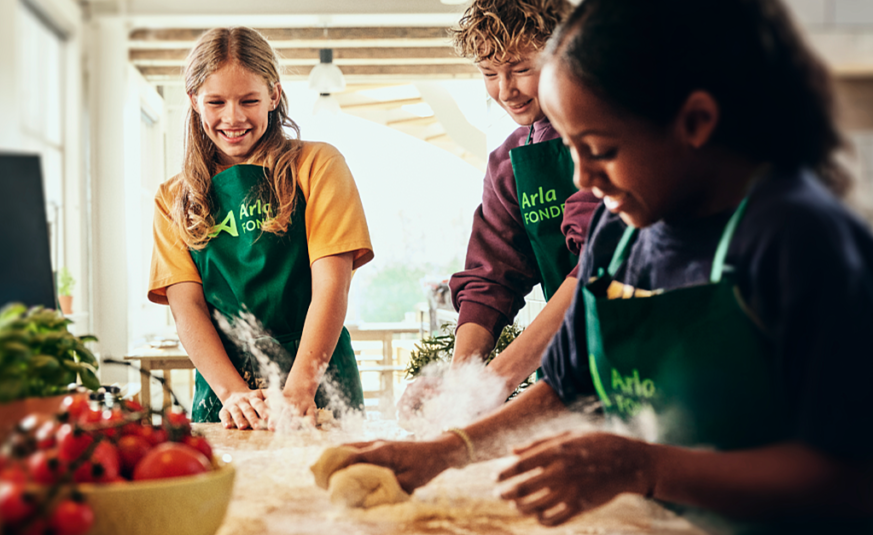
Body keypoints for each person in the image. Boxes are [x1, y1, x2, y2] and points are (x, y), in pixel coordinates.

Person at [341, 0, 873, 532]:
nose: (583, 179)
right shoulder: (616, 235)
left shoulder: (801, 241)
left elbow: (850, 480)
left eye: (599, 147)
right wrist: (441, 453)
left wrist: (646, 467)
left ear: (696, 121)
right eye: (570, 148)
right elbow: (570, 386)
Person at [148, 27, 373, 430]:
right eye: (216, 102)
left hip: (319, 382)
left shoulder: (317, 166)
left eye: (249, 100)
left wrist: (301, 387)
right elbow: (188, 309)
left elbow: (331, 287)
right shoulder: (173, 198)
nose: (233, 117)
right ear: (194, 101)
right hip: (228, 393)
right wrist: (232, 393)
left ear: (274, 94)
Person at [399, 0, 600, 414]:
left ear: (565, 53)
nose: (505, 90)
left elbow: (599, 266)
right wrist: (462, 378)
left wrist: (498, 378)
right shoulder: (508, 163)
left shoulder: (611, 135)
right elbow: (491, 278)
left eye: (521, 69)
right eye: (490, 73)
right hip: (576, 368)